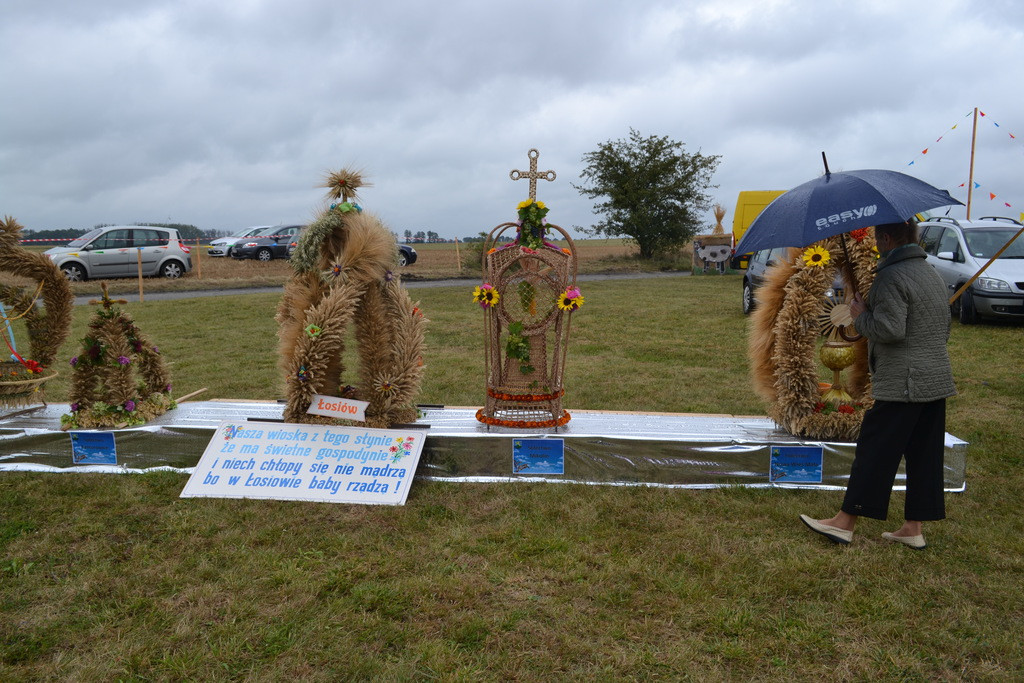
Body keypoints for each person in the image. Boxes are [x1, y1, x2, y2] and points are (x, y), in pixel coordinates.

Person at [800, 219, 956, 549]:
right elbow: (942, 327)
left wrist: (860, 315)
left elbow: (889, 330)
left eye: (876, 237)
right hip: (936, 378)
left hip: (903, 382)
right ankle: (913, 527)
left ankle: (844, 523)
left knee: (875, 451)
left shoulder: (890, 276)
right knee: (923, 454)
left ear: (885, 238)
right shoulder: (932, 273)